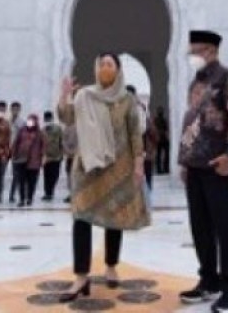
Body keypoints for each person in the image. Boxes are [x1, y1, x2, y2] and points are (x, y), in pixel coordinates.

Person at [55, 53, 151, 303]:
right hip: (87, 167)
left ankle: (110, 266)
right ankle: (81, 276)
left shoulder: (127, 100)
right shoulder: (85, 95)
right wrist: (65, 94)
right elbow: (66, 118)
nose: (104, 69)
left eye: (109, 65)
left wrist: (139, 163)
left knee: (113, 218)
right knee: (81, 218)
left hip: (118, 168)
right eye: (101, 65)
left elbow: (134, 134)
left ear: (118, 70)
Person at [178, 30, 228, 313]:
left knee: (226, 228)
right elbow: (191, 122)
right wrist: (184, 161)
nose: (191, 57)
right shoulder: (196, 84)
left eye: (194, 51)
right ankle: (208, 281)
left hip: (218, 164)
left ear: (209, 50)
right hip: (195, 166)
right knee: (201, 227)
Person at [11, 113, 46, 207]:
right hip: (21, 159)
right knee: (21, 180)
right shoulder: (22, 130)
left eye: (33, 120)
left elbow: (43, 146)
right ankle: (22, 199)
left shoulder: (40, 133)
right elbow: (16, 143)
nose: (30, 122)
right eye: (29, 120)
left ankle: (29, 198)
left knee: (32, 181)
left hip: (34, 161)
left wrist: (42, 158)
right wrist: (14, 154)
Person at [41, 110, 65, 201]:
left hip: (56, 156)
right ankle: (48, 193)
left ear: (52, 118)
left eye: (49, 118)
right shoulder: (42, 130)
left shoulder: (58, 129)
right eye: (46, 118)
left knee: (55, 175)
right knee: (46, 176)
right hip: (46, 157)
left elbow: (61, 141)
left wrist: (62, 153)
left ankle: (50, 191)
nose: (47, 120)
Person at [6, 101, 24, 205]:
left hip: (16, 150)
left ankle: (12, 195)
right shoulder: (6, 122)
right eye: (13, 109)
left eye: (17, 109)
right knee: (0, 172)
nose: (15, 111)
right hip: (5, 149)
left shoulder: (21, 123)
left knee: (16, 174)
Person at [62, 122, 78, 205]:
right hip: (72, 157)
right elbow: (63, 141)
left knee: (74, 176)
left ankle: (74, 194)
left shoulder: (82, 125)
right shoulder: (68, 127)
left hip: (76, 156)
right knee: (69, 175)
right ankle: (72, 194)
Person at [154, 107, 171, 174]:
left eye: (161, 111)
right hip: (159, 139)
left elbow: (166, 129)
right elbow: (154, 129)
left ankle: (165, 168)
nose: (160, 113)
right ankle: (160, 169)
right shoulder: (156, 120)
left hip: (163, 139)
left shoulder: (163, 120)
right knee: (158, 155)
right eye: (159, 111)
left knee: (166, 154)